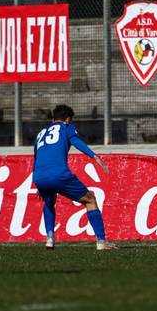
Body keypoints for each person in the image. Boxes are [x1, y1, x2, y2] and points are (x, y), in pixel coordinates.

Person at [33, 104, 115, 250]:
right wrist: (95, 157)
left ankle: (50, 238)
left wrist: (39, 183)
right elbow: (77, 142)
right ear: (68, 119)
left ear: (53, 119)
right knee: (90, 199)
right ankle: (102, 242)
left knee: (49, 201)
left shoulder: (40, 133)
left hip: (39, 175)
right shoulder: (66, 127)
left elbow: (37, 156)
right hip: (58, 173)